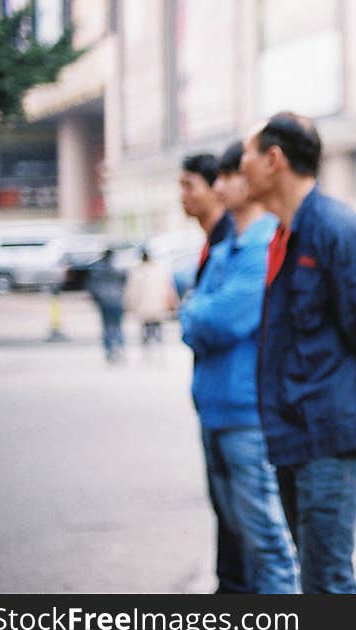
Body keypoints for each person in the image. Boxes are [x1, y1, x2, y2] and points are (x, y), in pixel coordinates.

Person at [240, 112, 356, 594]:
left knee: (326, 580)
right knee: (318, 576)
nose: (239, 168)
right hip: (295, 430)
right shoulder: (283, 234)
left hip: (332, 433)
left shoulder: (339, 230)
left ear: (274, 160)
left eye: (246, 156)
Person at [180, 141, 298, 593]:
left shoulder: (263, 242)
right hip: (215, 409)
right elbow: (195, 317)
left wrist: (194, 312)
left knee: (265, 541)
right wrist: (195, 314)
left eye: (230, 176)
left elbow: (221, 319)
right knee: (239, 535)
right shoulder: (229, 243)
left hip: (248, 413)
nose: (221, 185)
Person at [179, 152, 245, 593]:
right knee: (229, 514)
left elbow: (215, 319)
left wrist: (189, 311)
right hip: (216, 399)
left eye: (190, 185)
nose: (183, 196)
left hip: (240, 406)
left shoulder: (237, 239)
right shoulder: (216, 240)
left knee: (253, 527)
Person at [179, 153, 234, 287]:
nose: (182, 195)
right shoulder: (212, 239)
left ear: (215, 187)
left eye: (189, 186)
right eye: (182, 186)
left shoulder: (230, 237)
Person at [124, 249, 177, 362]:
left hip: (144, 307)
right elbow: (169, 289)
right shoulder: (160, 270)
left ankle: (147, 354)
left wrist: (131, 306)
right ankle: (160, 353)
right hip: (159, 306)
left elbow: (132, 292)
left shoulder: (137, 272)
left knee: (145, 331)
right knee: (158, 330)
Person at [87, 248, 127, 364]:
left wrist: (97, 299)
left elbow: (92, 287)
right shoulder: (118, 268)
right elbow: (125, 282)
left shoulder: (97, 269)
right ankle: (120, 348)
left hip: (104, 302)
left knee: (107, 327)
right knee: (118, 326)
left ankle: (109, 350)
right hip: (117, 301)